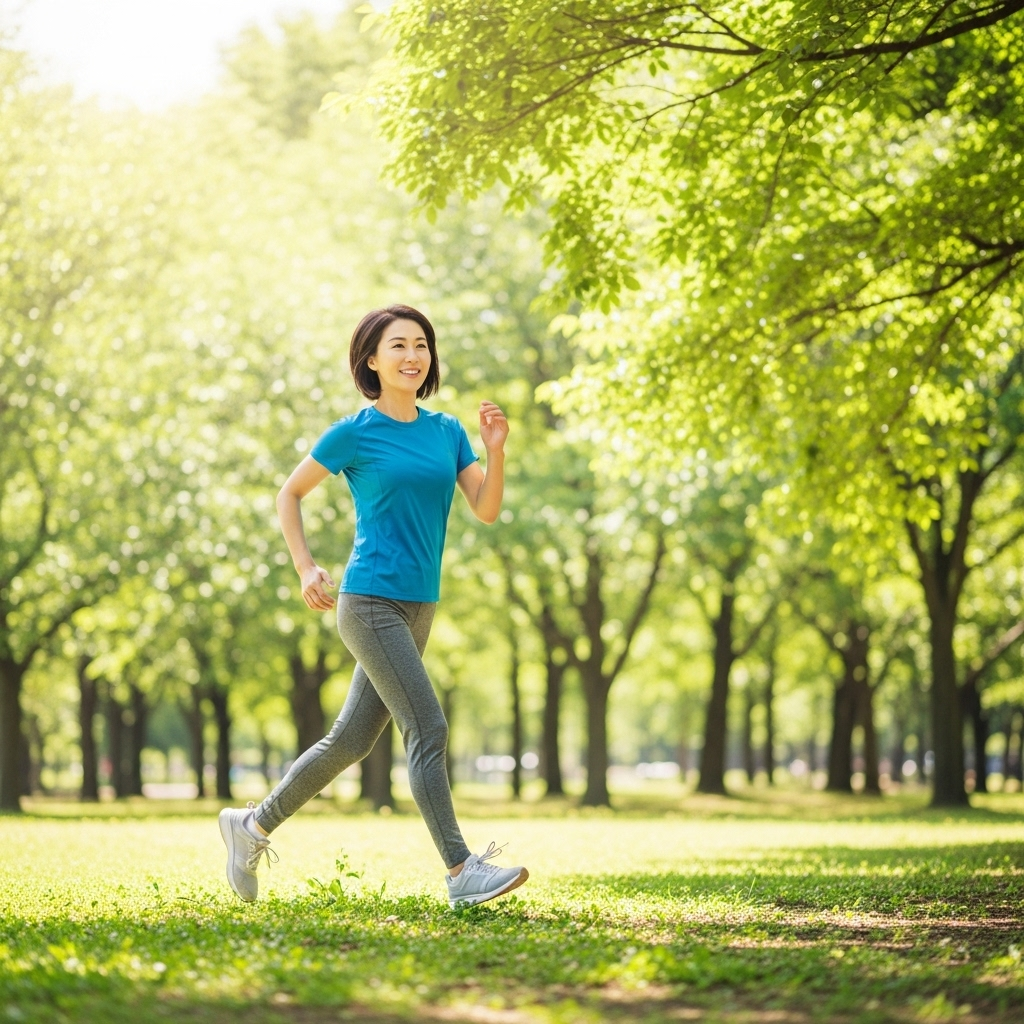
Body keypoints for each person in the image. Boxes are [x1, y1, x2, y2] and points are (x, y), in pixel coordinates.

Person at [218, 303, 528, 909]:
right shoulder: (354, 432)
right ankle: (461, 869)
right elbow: (290, 493)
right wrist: (306, 566)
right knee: (428, 726)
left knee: (350, 741)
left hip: (419, 607)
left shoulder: (447, 432)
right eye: (398, 347)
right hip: (368, 601)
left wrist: (496, 450)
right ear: (371, 360)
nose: (413, 356)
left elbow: (485, 510)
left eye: (421, 346)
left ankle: (250, 826)